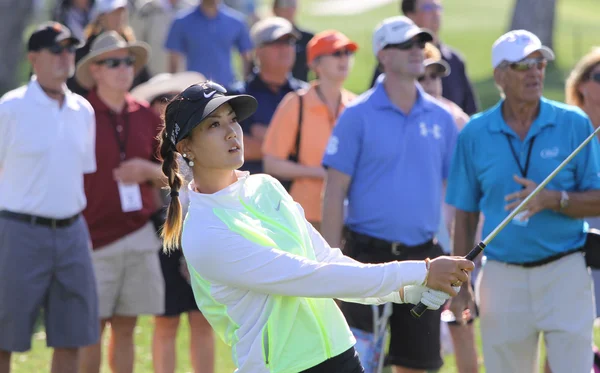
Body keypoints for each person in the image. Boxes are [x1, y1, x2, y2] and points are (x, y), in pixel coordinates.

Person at [155, 80, 475, 373]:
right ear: (186, 147)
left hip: (340, 351)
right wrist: (422, 270)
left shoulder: (265, 187)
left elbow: (327, 259)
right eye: (214, 124)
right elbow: (309, 277)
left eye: (232, 120)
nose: (231, 132)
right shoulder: (205, 234)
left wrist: (406, 291)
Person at [446, 30, 600, 373]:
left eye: (539, 63)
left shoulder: (574, 123)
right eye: (522, 65)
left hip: (566, 272)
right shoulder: (475, 132)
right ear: (499, 76)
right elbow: (465, 213)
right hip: (502, 277)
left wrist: (554, 199)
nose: (535, 72)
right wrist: (461, 283)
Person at [321, 16, 460, 373]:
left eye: (420, 44)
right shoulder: (357, 115)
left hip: (425, 259)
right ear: (383, 55)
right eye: (406, 45)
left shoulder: (442, 118)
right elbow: (335, 190)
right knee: (361, 362)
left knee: (417, 363)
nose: (417, 52)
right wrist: (331, 263)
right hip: (367, 257)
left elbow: (455, 195)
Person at [0, 22, 99, 373]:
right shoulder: (9, 108)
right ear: (33, 58)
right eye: (56, 50)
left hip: (73, 233)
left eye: (70, 49)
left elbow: (79, 175)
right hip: (18, 232)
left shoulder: (83, 111)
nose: (65, 57)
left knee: (71, 335)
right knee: (3, 337)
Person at [74, 31, 168, 373]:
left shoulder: (146, 114)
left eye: (128, 61)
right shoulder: (78, 114)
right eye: (112, 61)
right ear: (95, 70)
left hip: (138, 233)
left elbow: (175, 174)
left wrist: (146, 169)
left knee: (127, 328)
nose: (123, 68)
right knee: (91, 330)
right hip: (90, 238)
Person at [130, 70, 216, 373]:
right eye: (160, 99)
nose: (166, 104)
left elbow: (184, 181)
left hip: (198, 232)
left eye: (173, 99)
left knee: (202, 319)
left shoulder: (193, 139)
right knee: (165, 321)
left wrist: (147, 171)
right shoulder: (141, 139)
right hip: (161, 235)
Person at [418, 42, 479, 373]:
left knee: (460, 318)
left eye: (436, 77)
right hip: (422, 232)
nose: (430, 84)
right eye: (424, 77)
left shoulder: (455, 118)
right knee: (421, 326)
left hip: (455, 229)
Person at [262, 30, 357, 232]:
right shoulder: (296, 104)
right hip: (304, 217)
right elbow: (272, 163)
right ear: (315, 64)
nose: (344, 59)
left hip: (352, 217)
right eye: (336, 53)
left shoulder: (356, 106)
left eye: (347, 53)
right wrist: (320, 173)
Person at [228, 16, 308, 177]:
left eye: (289, 43)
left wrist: (265, 136)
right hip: (252, 191)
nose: (285, 49)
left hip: (298, 192)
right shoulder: (237, 96)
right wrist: (294, 142)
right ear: (258, 51)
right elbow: (241, 148)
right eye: (277, 43)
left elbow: (314, 146)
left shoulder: (305, 94)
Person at [371, 0, 479, 115]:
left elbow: (470, 110)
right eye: (428, 8)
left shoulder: (455, 60)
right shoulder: (394, 64)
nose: (435, 13)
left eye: (438, 7)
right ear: (410, 15)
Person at [67, 0, 151, 96]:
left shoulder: (132, 49)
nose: (119, 17)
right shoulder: (82, 53)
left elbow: (144, 83)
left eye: (122, 12)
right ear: (101, 18)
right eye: (114, 13)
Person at [164, 0, 253, 87]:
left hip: (227, 88)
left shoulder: (236, 21)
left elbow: (247, 56)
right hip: (194, 90)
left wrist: (246, 84)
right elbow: (174, 60)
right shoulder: (181, 21)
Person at [130, 0, 197, 76]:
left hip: (184, 77)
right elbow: (136, 41)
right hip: (151, 76)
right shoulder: (147, 9)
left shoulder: (191, 8)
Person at [272, 0, 314, 82]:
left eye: (292, 4)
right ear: (275, 9)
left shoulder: (308, 38)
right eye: (285, 4)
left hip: (302, 90)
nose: (289, 9)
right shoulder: (266, 39)